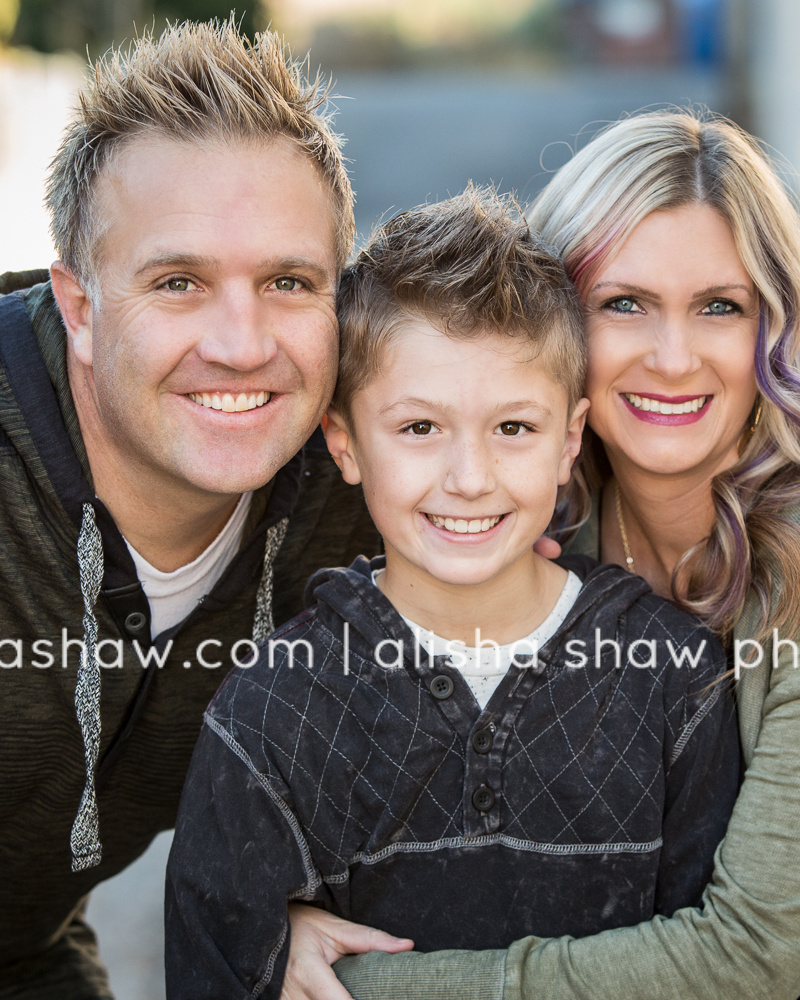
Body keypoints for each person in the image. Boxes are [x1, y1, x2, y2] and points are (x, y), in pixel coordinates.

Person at [165, 187, 740, 999]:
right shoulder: (273, 711)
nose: (469, 481)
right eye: (420, 428)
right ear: (345, 443)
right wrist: (264, 943)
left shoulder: (675, 682)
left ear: (570, 439)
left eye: (514, 428)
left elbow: (713, 968)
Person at [285, 110, 800, 1000]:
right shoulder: (511, 527)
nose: (672, 357)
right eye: (624, 304)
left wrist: (362, 986)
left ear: (773, 328)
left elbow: (758, 957)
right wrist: (282, 909)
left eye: (721, 306)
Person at [0, 19, 382, 999]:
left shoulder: (370, 479)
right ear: (79, 308)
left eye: (287, 282)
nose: (243, 343)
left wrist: (280, 891)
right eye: (179, 283)